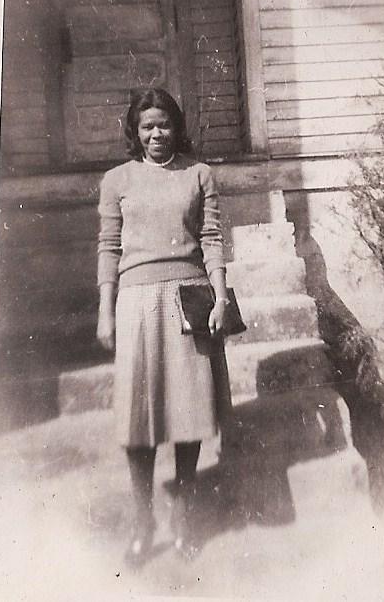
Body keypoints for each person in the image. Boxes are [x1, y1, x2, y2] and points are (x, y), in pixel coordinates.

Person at [96, 87, 230, 567]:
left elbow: (211, 237)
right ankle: (143, 523)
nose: (157, 134)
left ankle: (184, 519)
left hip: (188, 300)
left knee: (188, 415)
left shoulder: (199, 174)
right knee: (140, 421)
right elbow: (109, 246)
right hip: (137, 303)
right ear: (135, 132)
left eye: (165, 124)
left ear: (177, 127)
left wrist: (220, 296)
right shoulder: (117, 180)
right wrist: (106, 309)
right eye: (147, 126)